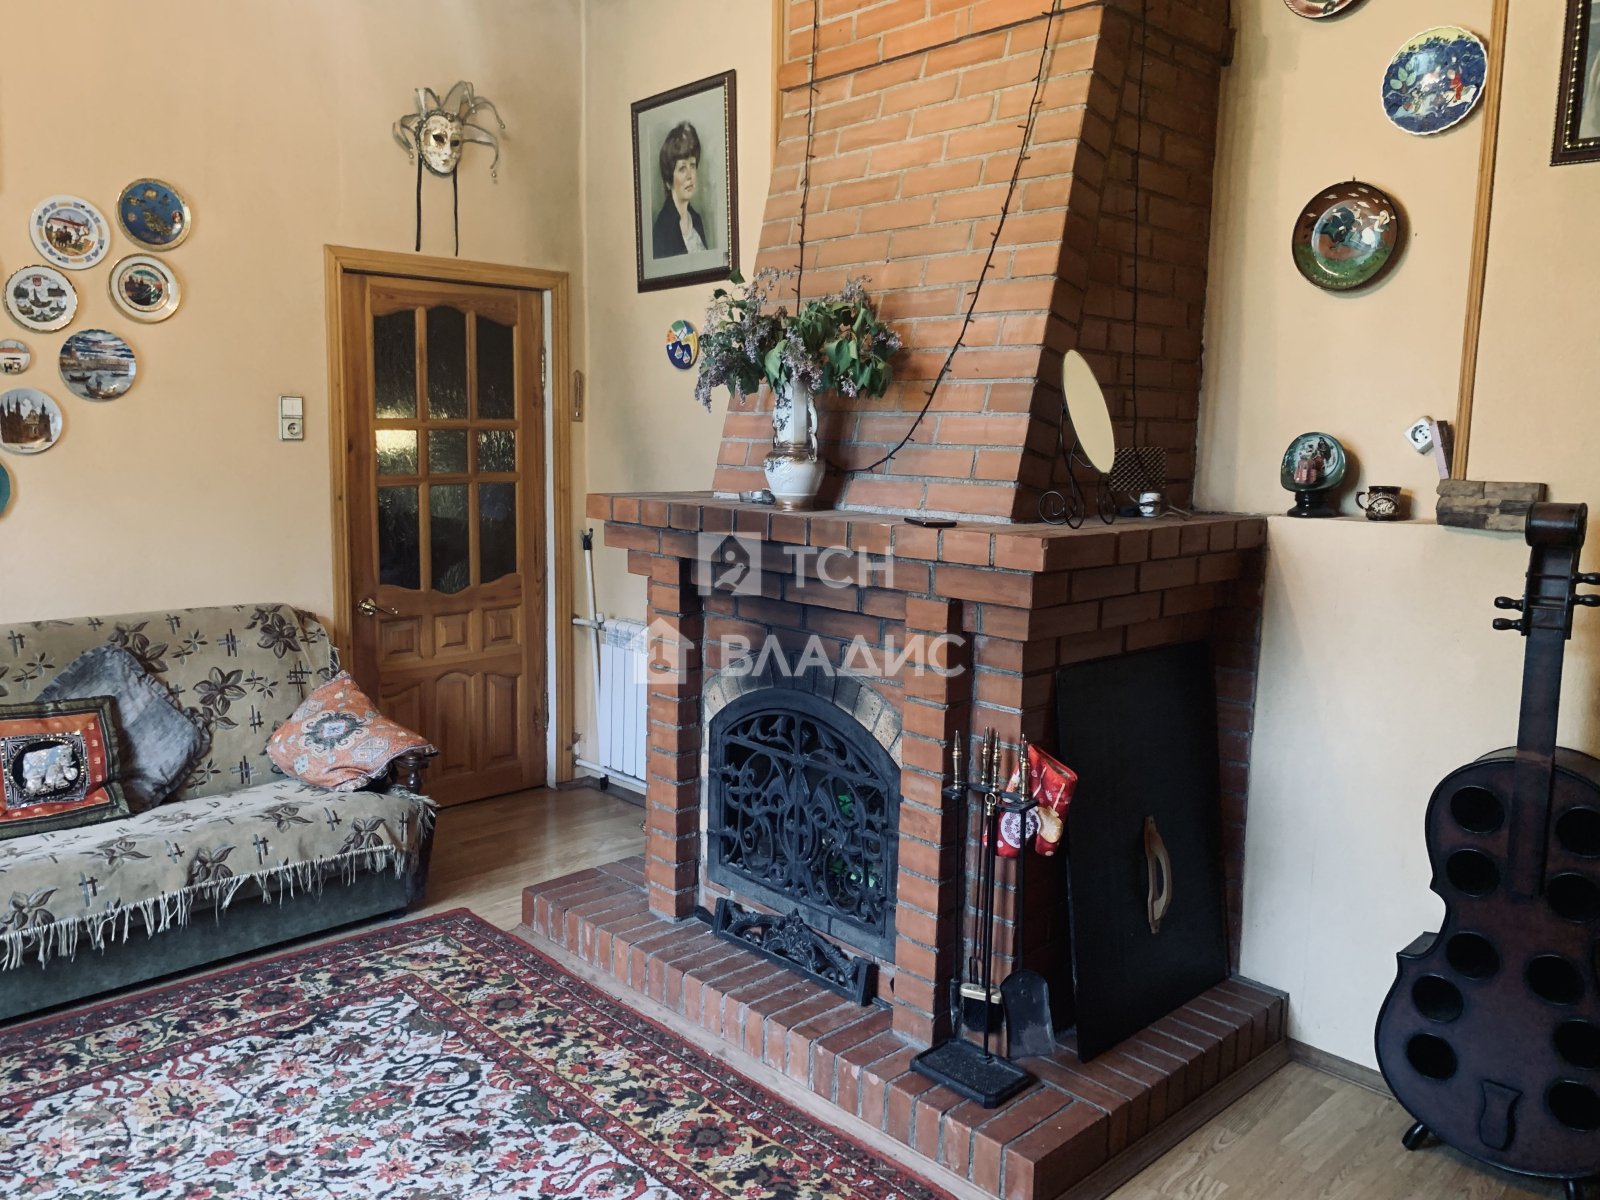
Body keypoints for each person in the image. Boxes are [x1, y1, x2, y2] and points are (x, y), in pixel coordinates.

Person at [652, 121, 708, 258]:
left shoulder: (696, 220)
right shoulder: (662, 229)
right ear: (668, 180)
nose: (690, 175)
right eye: (682, 168)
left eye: (692, 165)